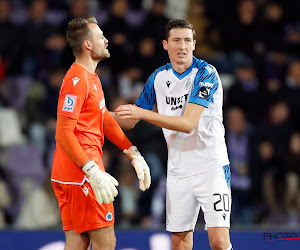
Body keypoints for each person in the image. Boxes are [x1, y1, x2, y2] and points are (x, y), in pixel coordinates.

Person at [115, 19, 232, 250]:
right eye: (176, 40)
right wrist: (96, 115)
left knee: (218, 242)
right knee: (179, 244)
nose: (182, 46)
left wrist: (143, 113)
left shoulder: (206, 73)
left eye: (187, 40)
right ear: (165, 45)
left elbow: (188, 124)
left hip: (212, 167)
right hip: (178, 170)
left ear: (194, 44)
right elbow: (130, 120)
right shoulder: (158, 78)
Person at [51, 16, 151, 250]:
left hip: (74, 170)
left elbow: (103, 117)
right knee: (106, 243)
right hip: (81, 172)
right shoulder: (76, 81)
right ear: (87, 45)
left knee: (78, 242)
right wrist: (92, 170)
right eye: (100, 37)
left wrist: (132, 152)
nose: (106, 40)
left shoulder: (91, 78)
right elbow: (63, 133)